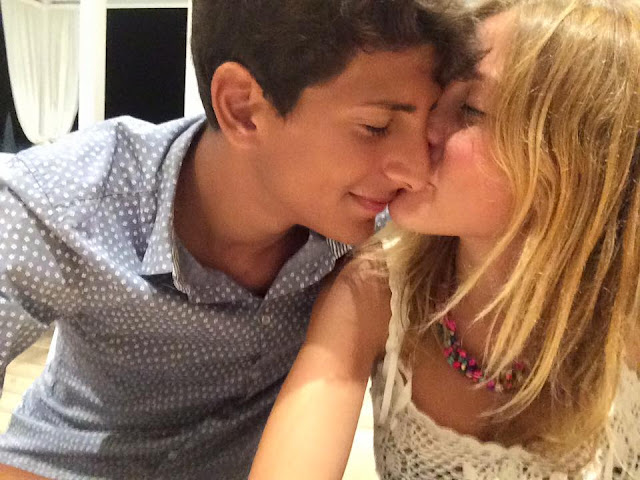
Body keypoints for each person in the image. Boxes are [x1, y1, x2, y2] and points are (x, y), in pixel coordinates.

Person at [0, 1, 479, 479]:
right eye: (376, 127)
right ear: (242, 109)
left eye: (429, 125)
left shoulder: (386, 228)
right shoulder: (68, 201)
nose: (417, 170)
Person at [249, 0, 640, 478]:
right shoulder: (375, 292)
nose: (423, 131)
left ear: (571, 165)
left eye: (470, 110)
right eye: (437, 99)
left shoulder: (626, 315)